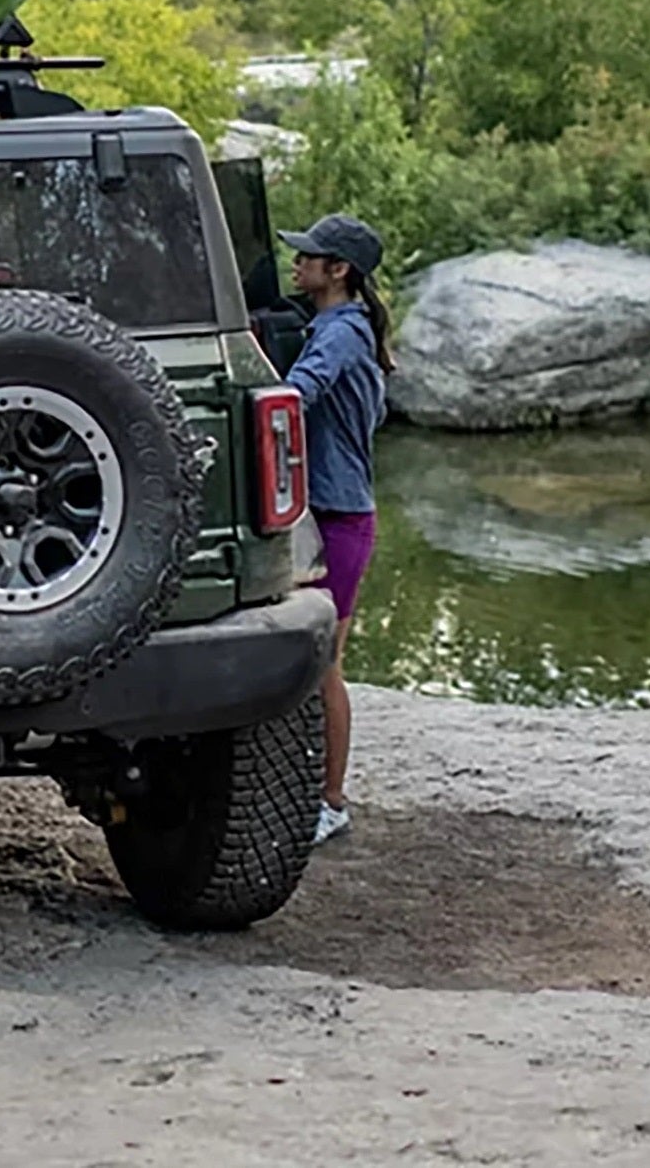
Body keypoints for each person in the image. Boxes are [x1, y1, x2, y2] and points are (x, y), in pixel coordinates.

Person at [277, 213, 392, 845]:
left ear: (338, 270)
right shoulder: (333, 326)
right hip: (325, 513)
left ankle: (332, 801)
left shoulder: (343, 333)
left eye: (308, 257)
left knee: (326, 662)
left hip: (340, 518)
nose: (297, 265)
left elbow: (298, 394)